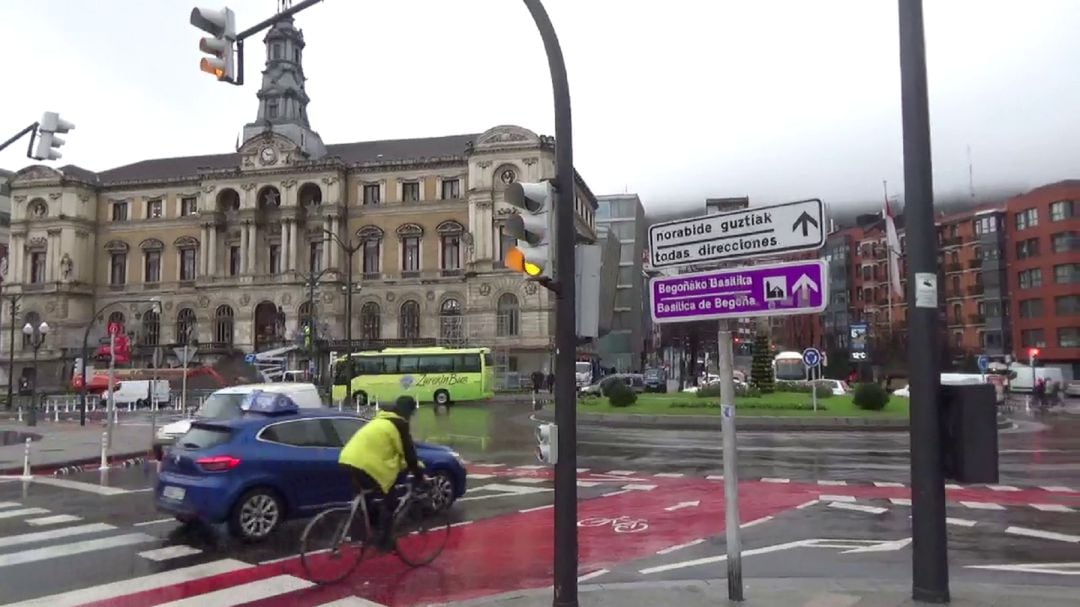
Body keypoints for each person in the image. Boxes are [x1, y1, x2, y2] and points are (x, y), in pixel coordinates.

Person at [338, 395, 426, 552]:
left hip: (347, 458)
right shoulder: (400, 425)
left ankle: (360, 536)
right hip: (367, 465)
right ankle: (383, 543)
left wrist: (413, 466)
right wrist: (420, 475)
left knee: (367, 496)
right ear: (408, 412)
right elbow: (409, 455)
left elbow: (392, 452)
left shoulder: (380, 421)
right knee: (390, 500)